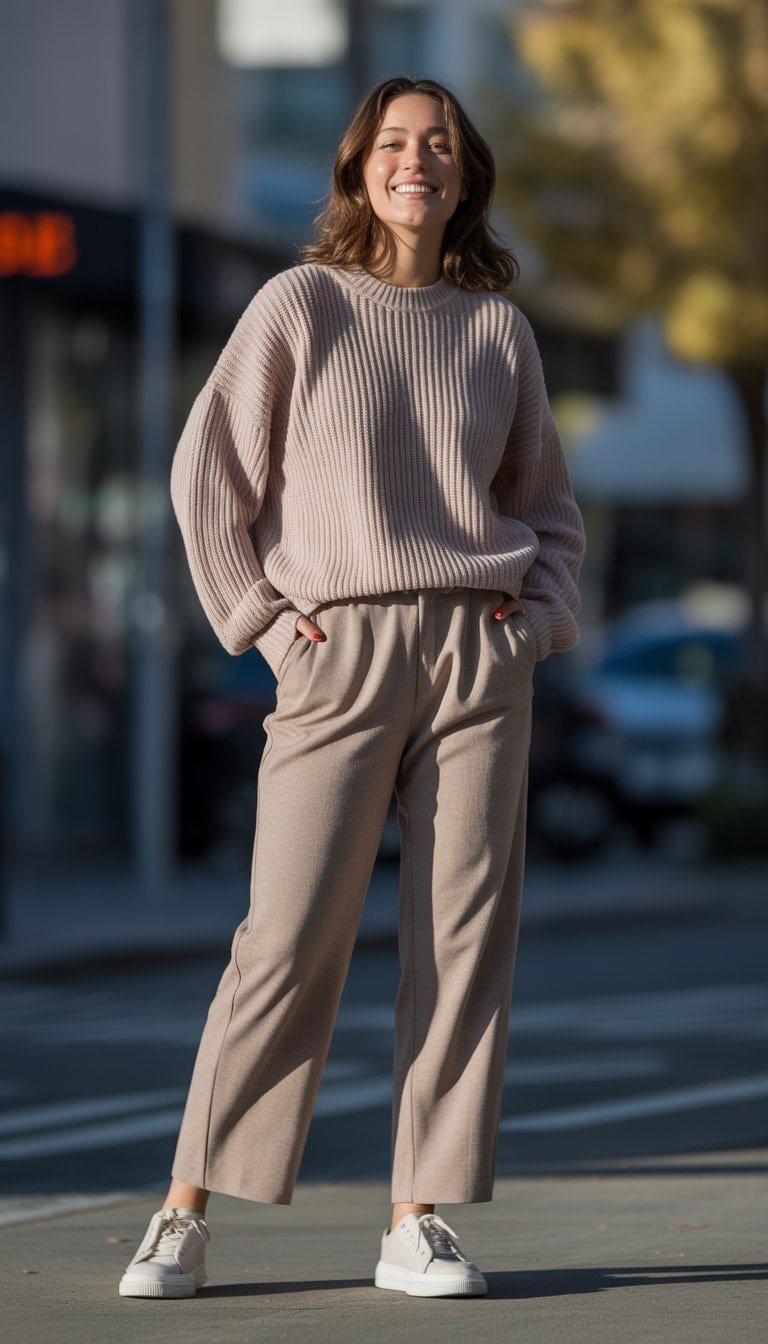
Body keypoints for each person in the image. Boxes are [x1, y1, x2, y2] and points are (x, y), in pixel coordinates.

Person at [118, 74, 585, 1302]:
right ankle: (183, 1214)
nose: (415, 161)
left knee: (462, 940)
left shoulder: (499, 331)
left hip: (478, 653)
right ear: (358, 166)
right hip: (337, 651)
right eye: (392, 142)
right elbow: (206, 472)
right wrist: (262, 626)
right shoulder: (300, 304)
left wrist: (533, 625)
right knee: (283, 940)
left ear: (467, 174)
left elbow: (546, 509)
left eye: (438, 144)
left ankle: (415, 1220)